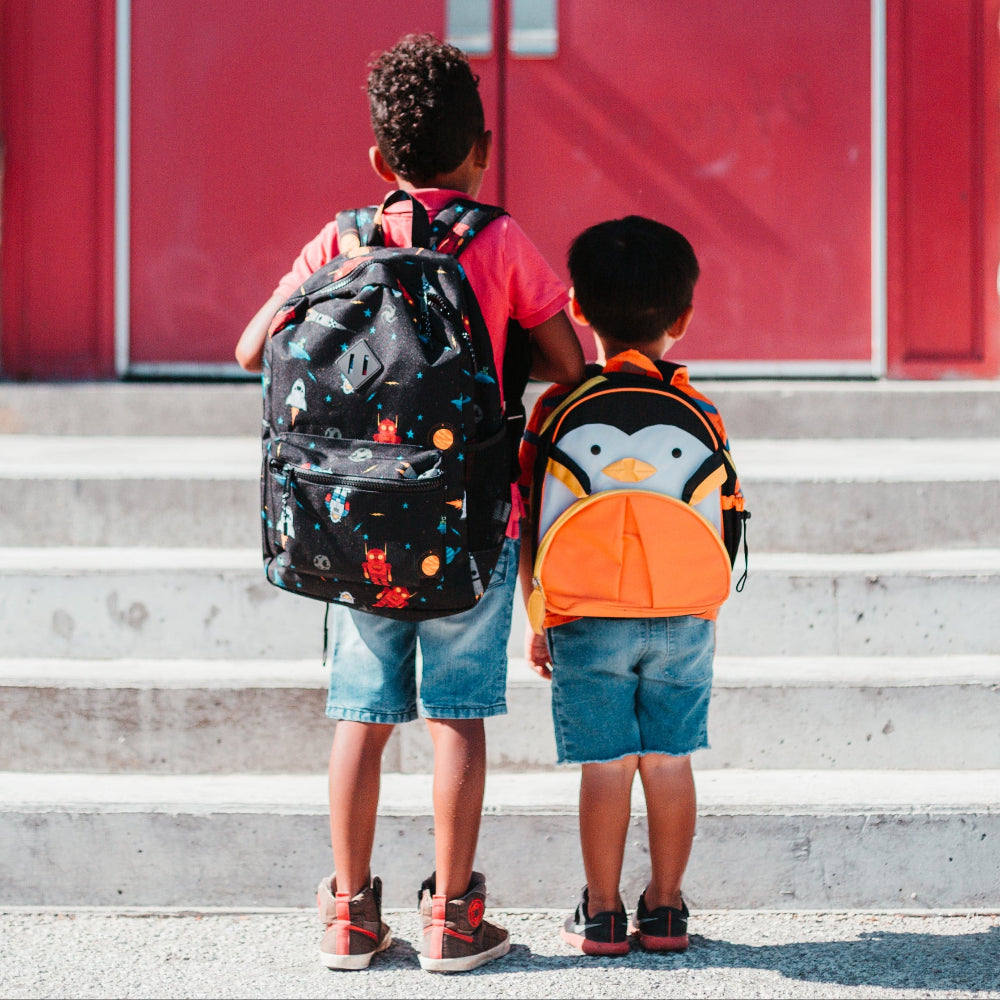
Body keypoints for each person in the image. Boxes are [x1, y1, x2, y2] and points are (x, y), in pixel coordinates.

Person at [236, 34, 584, 973]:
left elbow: (248, 349)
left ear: (381, 163)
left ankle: (349, 913)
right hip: (472, 521)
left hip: (351, 530)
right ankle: (455, 918)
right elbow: (568, 366)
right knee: (456, 714)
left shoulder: (342, 238)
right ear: (482, 153)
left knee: (359, 713)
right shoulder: (499, 239)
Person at [518, 215, 733, 956]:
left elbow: (536, 521)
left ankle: (604, 912)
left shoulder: (555, 410)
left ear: (576, 307)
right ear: (684, 318)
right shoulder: (701, 412)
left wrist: (539, 618)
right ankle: (667, 908)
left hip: (584, 615)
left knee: (605, 767)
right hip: (683, 613)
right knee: (669, 761)